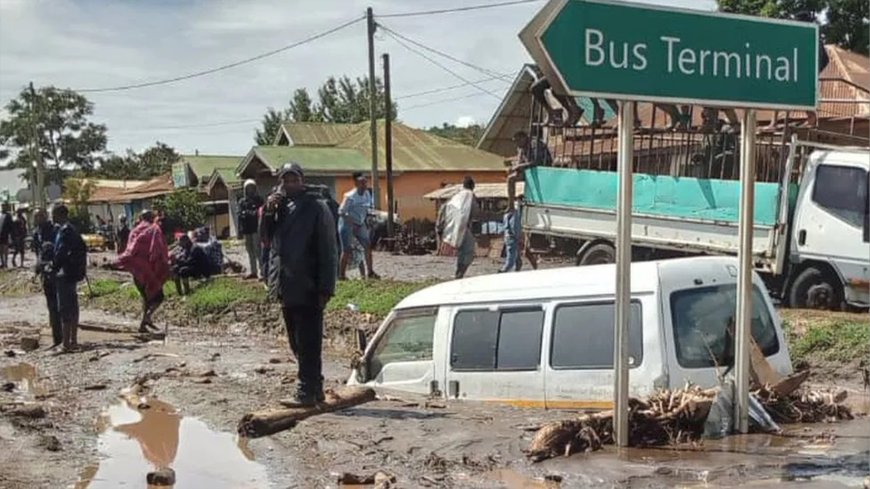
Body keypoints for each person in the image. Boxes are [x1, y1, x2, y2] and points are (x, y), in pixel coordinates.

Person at [262, 162, 337, 407]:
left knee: (308, 341)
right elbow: (266, 239)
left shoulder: (317, 207)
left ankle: (306, 391)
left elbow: (329, 249)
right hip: (285, 284)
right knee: (295, 341)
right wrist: (269, 211)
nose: (290, 184)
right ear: (280, 182)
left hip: (309, 284)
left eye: (294, 179)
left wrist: (327, 287)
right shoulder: (279, 207)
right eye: (286, 180)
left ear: (302, 180)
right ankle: (315, 387)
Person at [116, 210, 170, 334]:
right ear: (152, 218)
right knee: (158, 297)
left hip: (137, 272)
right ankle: (147, 318)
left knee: (146, 298)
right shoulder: (154, 230)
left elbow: (130, 250)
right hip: (149, 271)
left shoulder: (134, 231)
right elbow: (158, 249)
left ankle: (143, 325)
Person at [51, 205, 87, 352]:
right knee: (73, 306)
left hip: (64, 274)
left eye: (52, 214)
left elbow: (61, 252)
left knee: (65, 308)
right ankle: (73, 340)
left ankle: (66, 343)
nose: (51, 217)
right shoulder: (71, 229)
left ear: (58, 214)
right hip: (72, 273)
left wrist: (53, 267)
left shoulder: (65, 231)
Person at [338, 172, 378, 280]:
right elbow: (341, 212)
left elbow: (367, 209)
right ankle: (342, 275)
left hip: (360, 224)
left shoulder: (367, 194)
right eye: (362, 183)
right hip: (347, 224)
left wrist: (369, 218)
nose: (365, 185)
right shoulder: (350, 196)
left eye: (365, 183)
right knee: (346, 250)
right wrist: (351, 222)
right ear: (356, 184)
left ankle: (370, 272)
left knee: (367, 246)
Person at [437, 176, 479, 279]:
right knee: (469, 251)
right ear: (473, 186)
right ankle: (460, 272)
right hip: (463, 227)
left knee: (462, 252)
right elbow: (474, 212)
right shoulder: (470, 196)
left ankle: (459, 272)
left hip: (451, 227)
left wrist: (440, 226)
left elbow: (443, 209)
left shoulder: (456, 196)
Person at [32, 208, 62, 348]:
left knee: (57, 305)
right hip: (44, 272)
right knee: (51, 305)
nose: (37, 219)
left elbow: (58, 250)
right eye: (35, 217)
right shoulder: (36, 233)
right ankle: (56, 337)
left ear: (45, 216)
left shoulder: (54, 230)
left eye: (40, 216)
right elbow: (38, 253)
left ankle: (60, 338)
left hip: (55, 271)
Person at [237, 179, 263, 279]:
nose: (250, 190)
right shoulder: (242, 201)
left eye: (252, 187)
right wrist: (240, 231)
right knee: (249, 250)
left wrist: (247, 213)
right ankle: (253, 271)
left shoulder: (259, 200)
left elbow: (259, 213)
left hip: (256, 228)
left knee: (258, 250)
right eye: (248, 188)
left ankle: (262, 272)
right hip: (246, 229)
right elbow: (240, 215)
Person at [0, 202, 11, 269]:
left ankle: (6, 263)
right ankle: (2, 262)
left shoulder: (8, 215)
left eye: (4, 206)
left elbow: (10, 226)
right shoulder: (0, 215)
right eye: (2, 206)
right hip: (0, 234)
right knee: (1, 249)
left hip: (5, 234)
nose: (3, 207)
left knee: (5, 249)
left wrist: (10, 234)